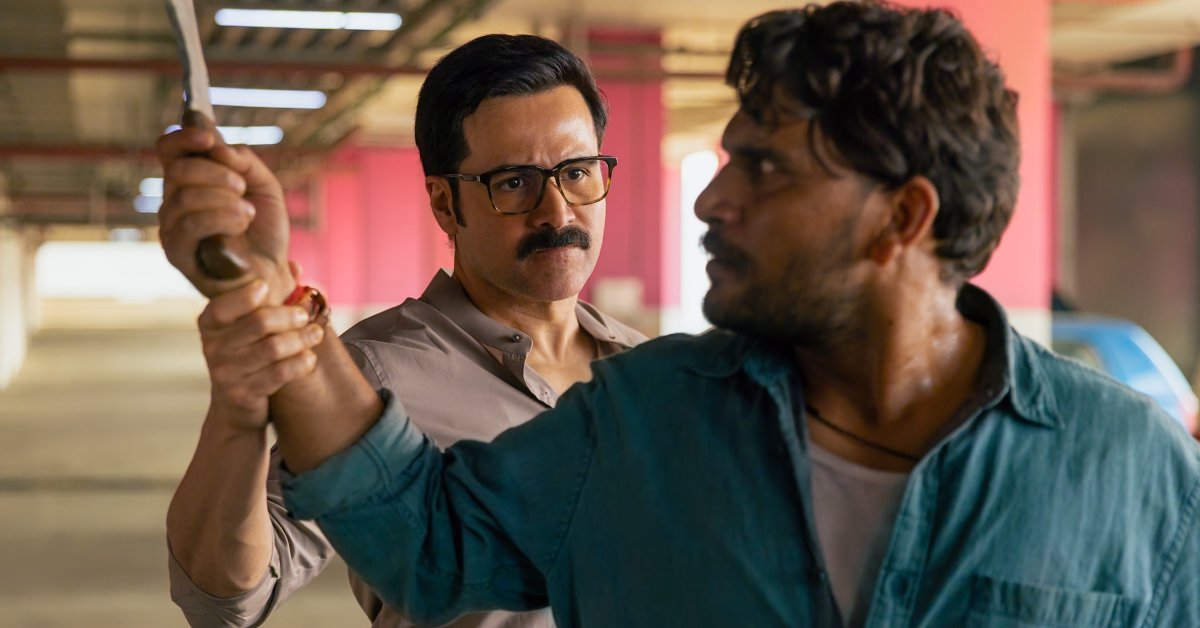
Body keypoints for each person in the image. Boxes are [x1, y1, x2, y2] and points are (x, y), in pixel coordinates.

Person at [162, 2, 1200, 626]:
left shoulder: (1135, 470)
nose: (711, 201)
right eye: (515, 183)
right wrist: (264, 283)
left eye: (765, 169)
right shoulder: (644, 419)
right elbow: (420, 539)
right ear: (448, 202)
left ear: (902, 218)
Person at [158, 34, 644, 628]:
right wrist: (239, 412)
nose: (557, 211)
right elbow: (226, 597)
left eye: (577, 172)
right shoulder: (371, 374)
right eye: (514, 183)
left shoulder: (650, 371)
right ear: (444, 204)